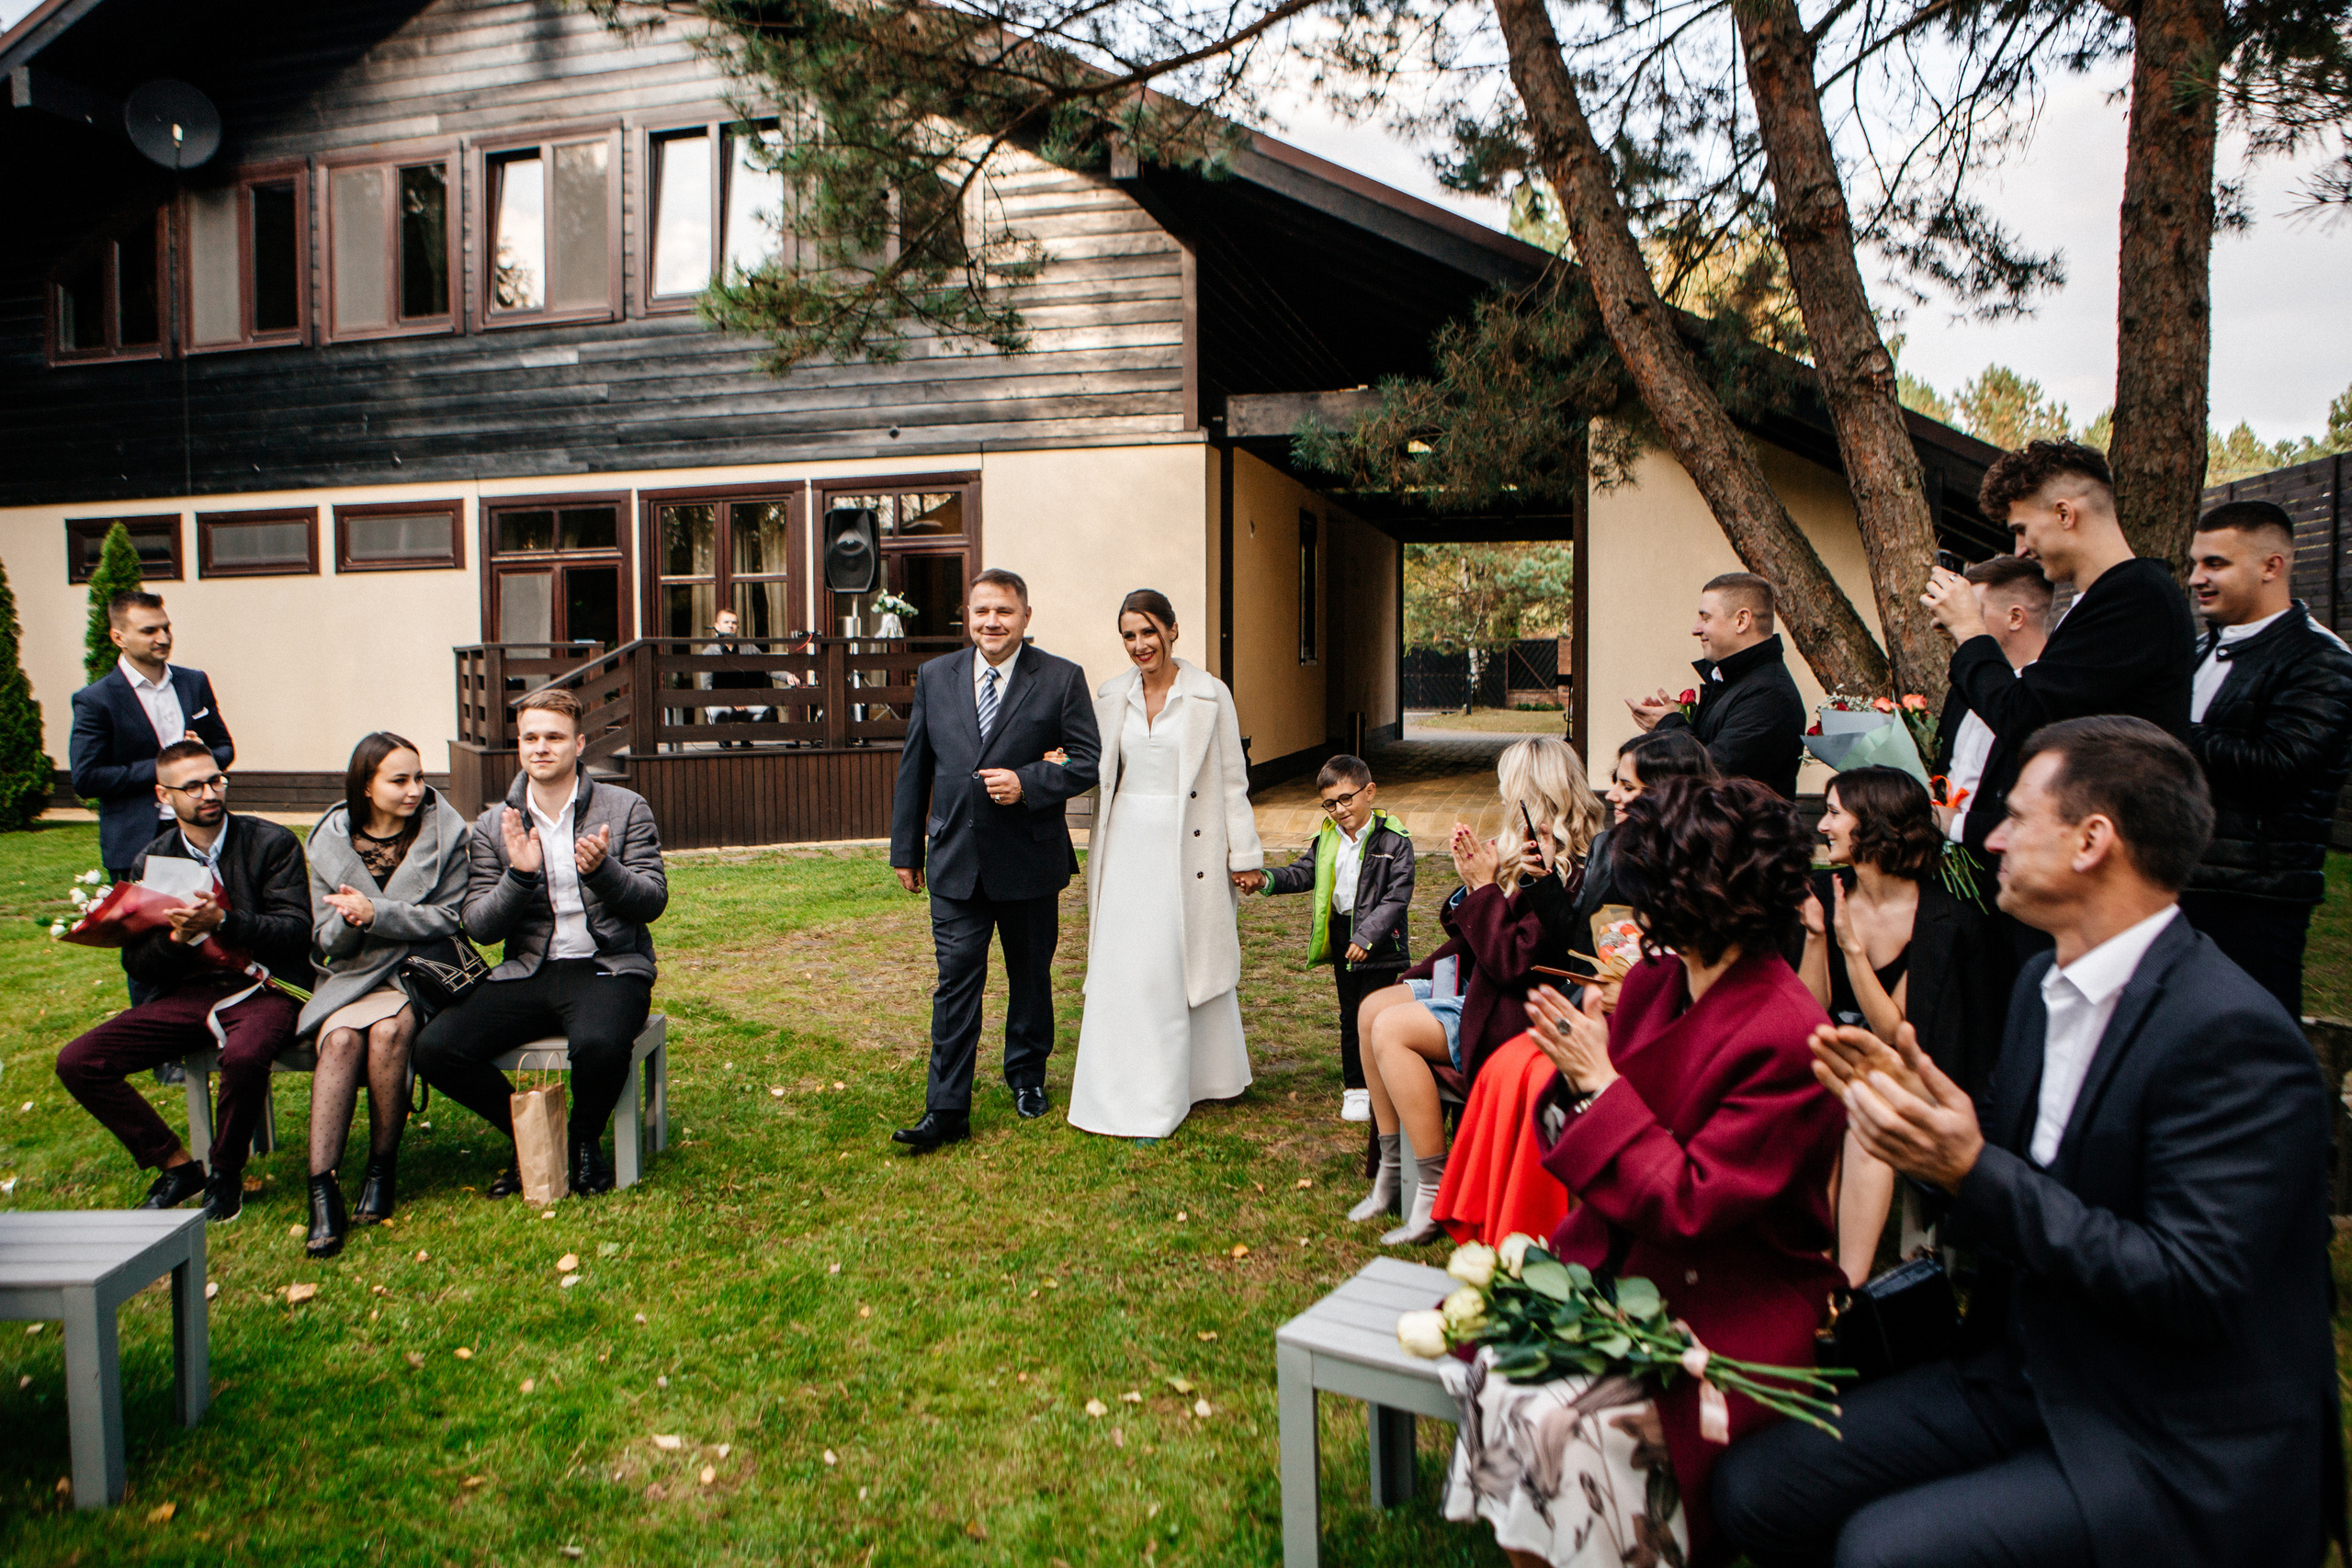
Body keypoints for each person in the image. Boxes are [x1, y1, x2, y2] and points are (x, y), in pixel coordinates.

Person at [1715, 716, 2338, 1568]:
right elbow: (1995, 1191)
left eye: (2014, 815)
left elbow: (2191, 1286)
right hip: (2017, 1375)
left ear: (2092, 840)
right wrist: (1914, 1130)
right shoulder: (2043, 986)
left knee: (1884, 1550)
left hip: (2168, 1433)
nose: (1990, 835)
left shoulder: (2231, 1036)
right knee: (1753, 1485)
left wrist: (1970, 1166)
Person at [1438, 775, 1842, 1566]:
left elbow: (1691, 1205)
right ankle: (1541, 1546)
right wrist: (1575, 1071)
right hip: (1622, 1273)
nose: (1631, 899)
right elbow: (1575, 1132)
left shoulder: (1789, 1032)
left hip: (1724, 1304)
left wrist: (1603, 1082)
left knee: (1569, 1424)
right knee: (1501, 1375)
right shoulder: (1660, 980)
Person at [1429, 729, 1722, 1249]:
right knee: (1506, 1068)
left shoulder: (1706, 860)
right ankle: (1498, 1224)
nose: (1611, 795)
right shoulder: (1614, 847)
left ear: (1669, 790)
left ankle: (1534, 1227)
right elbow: (1577, 939)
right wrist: (1541, 882)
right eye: (1615, 782)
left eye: (1627, 787)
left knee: (1538, 1074)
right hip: (1599, 1002)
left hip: (1664, 1017)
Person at [411, 688, 669, 1196]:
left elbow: (652, 901)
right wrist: (520, 877)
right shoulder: (492, 825)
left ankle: (580, 1140)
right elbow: (481, 926)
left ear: (579, 743)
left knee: (598, 1045)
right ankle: (529, 1137)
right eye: (530, 738)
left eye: (553, 737)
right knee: (435, 1048)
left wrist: (603, 871)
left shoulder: (625, 808)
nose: (540, 748)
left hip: (608, 966)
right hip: (528, 970)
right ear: (520, 747)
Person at [1349, 737, 1599, 1244]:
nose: (1504, 797)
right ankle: (1392, 1169)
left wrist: (1486, 889)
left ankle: (1433, 1187)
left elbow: (1513, 961)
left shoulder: (1569, 867)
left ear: (1534, 790)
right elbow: (1470, 932)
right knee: (1370, 1006)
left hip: (1513, 1008)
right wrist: (1472, 884)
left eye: (1510, 788)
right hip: (1479, 984)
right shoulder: (1525, 844)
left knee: (1392, 1029)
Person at [888, 569, 1102, 1150]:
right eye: (982, 611)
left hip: (1030, 860)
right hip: (955, 860)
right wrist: (905, 850)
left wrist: (1028, 781)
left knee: (1030, 978)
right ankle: (947, 1108)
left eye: (1004, 611)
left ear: (1026, 617)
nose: (992, 622)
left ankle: (1027, 1075)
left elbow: (1087, 760)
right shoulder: (937, 676)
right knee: (955, 983)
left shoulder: (1060, 678)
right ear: (969, 615)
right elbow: (916, 767)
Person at [52, 739, 309, 1223]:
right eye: (192, 786)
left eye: (215, 780)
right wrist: (174, 938)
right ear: (163, 796)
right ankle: (175, 1166)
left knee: (247, 1053)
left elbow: (296, 932)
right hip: (190, 992)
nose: (209, 793)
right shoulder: (150, 861)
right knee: (79, 1060)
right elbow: (140, 966)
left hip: (267, 986)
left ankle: (225, 1173)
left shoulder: (271, 842)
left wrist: (224, 922)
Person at [1921, 441, 2197, 855]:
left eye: (2021, 529)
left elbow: (2027, 721)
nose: (2020, 550)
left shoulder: (2136, 598)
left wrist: (1970, 630)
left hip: (2115, 856)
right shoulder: (2105, 600)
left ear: (2064, 514)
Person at [1798, 766, 2007, 1284]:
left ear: (1873, 824)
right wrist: (1816, 936)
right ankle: (1808, 1270)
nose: (1823, 827)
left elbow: (1896, 1033)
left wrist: (1851, 950)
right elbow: (1808, 1006)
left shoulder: (1942, 917)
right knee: (1822, 1098)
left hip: (1910, 1065)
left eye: (1834, 813)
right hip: (1831, 1050)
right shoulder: (1823, 893)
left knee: (1871, 1106)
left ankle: (1845, 1287)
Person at [1068, 590, 1262, 1140]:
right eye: (1129, 636)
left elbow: (1231, 780)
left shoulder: (1209, 695)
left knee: (1179, 959)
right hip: (1126, 842)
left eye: (1148, 632)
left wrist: (1244, 854)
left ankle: (1190, 1083)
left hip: (1189, 844)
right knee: (1124, 963)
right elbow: (1099, 770)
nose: (1139, 645)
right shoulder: (1110, 696)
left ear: (1173, 630)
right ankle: (1119, 1089)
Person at [293, 733, 469, 1257]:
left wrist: (377, 914)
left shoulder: (445, 834)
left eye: (420, 777)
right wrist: (350, 922)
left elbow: (451, 917)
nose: (415, 790)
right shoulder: (328, 842)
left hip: (412, 973)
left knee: (391, 1032)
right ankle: (322, 1189)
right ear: (367, 786)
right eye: (399, 780)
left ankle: (381, 1168)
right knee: (342, 1041)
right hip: (348, 975)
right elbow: (325, 940)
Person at [2179, 500, 2352, 1019]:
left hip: (2256, 901)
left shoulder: (2321, 660)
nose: (2195, 579)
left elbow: (2281, 767)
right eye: (2195, 564)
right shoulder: (2199, 650)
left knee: (2251, 1050)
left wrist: (2165, 730)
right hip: (2179, 882)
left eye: (2215, 564)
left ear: (2272, 566)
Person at [1252, 752, 1414, 1123]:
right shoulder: (1327, 839)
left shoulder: (1395, 841)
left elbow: (1396, 898)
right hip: (1344, 936)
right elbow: (1302, 873)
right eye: (1329, 804)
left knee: (1378, 1015)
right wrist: (1265, 879)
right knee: (1350, 1015)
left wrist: (1367, 936)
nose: (1339, 810)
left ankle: (1386, 1084)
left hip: (1380, 940)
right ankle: (1356, 1090)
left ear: (1369, 792)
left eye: (1346, 799)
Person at [67, 591, 236, 883]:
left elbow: (225, 749)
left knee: (216, 920)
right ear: (118, 637)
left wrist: (203, 756)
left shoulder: (194, 682)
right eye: (149, 631)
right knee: (150, 928)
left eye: (166, 628)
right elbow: (87, 778)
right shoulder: (96, 700)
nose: (163, 637)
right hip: (137, 839)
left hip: (203, 830)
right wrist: (167, 769)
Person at [1627, 571, 1804, 796]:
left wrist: (1670, 725)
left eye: (1706, 617)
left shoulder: (1769, 694)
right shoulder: (1732, 682)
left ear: (1741, 621)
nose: (1696, 629)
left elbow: (1714, 775)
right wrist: (1665, 729)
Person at [1928, 555, 2050, 841]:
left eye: (1972, 611)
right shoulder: (1965, 687)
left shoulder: (2046, 700)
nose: (1957, 619)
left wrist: (1956, 826)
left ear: (2015, 617)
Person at [699, 608, 772, 748]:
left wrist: (788, 677)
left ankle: (745, 735)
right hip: (721, 701)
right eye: (726, 622)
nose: (731, 625)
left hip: (745, 700)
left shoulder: (749, 648)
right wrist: (732, 699)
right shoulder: (709, 652)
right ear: (717, 626)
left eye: (734, 622)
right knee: (718, 713)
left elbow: (768, 667)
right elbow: (707, 686)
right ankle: (725, 737)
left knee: (768, 711)